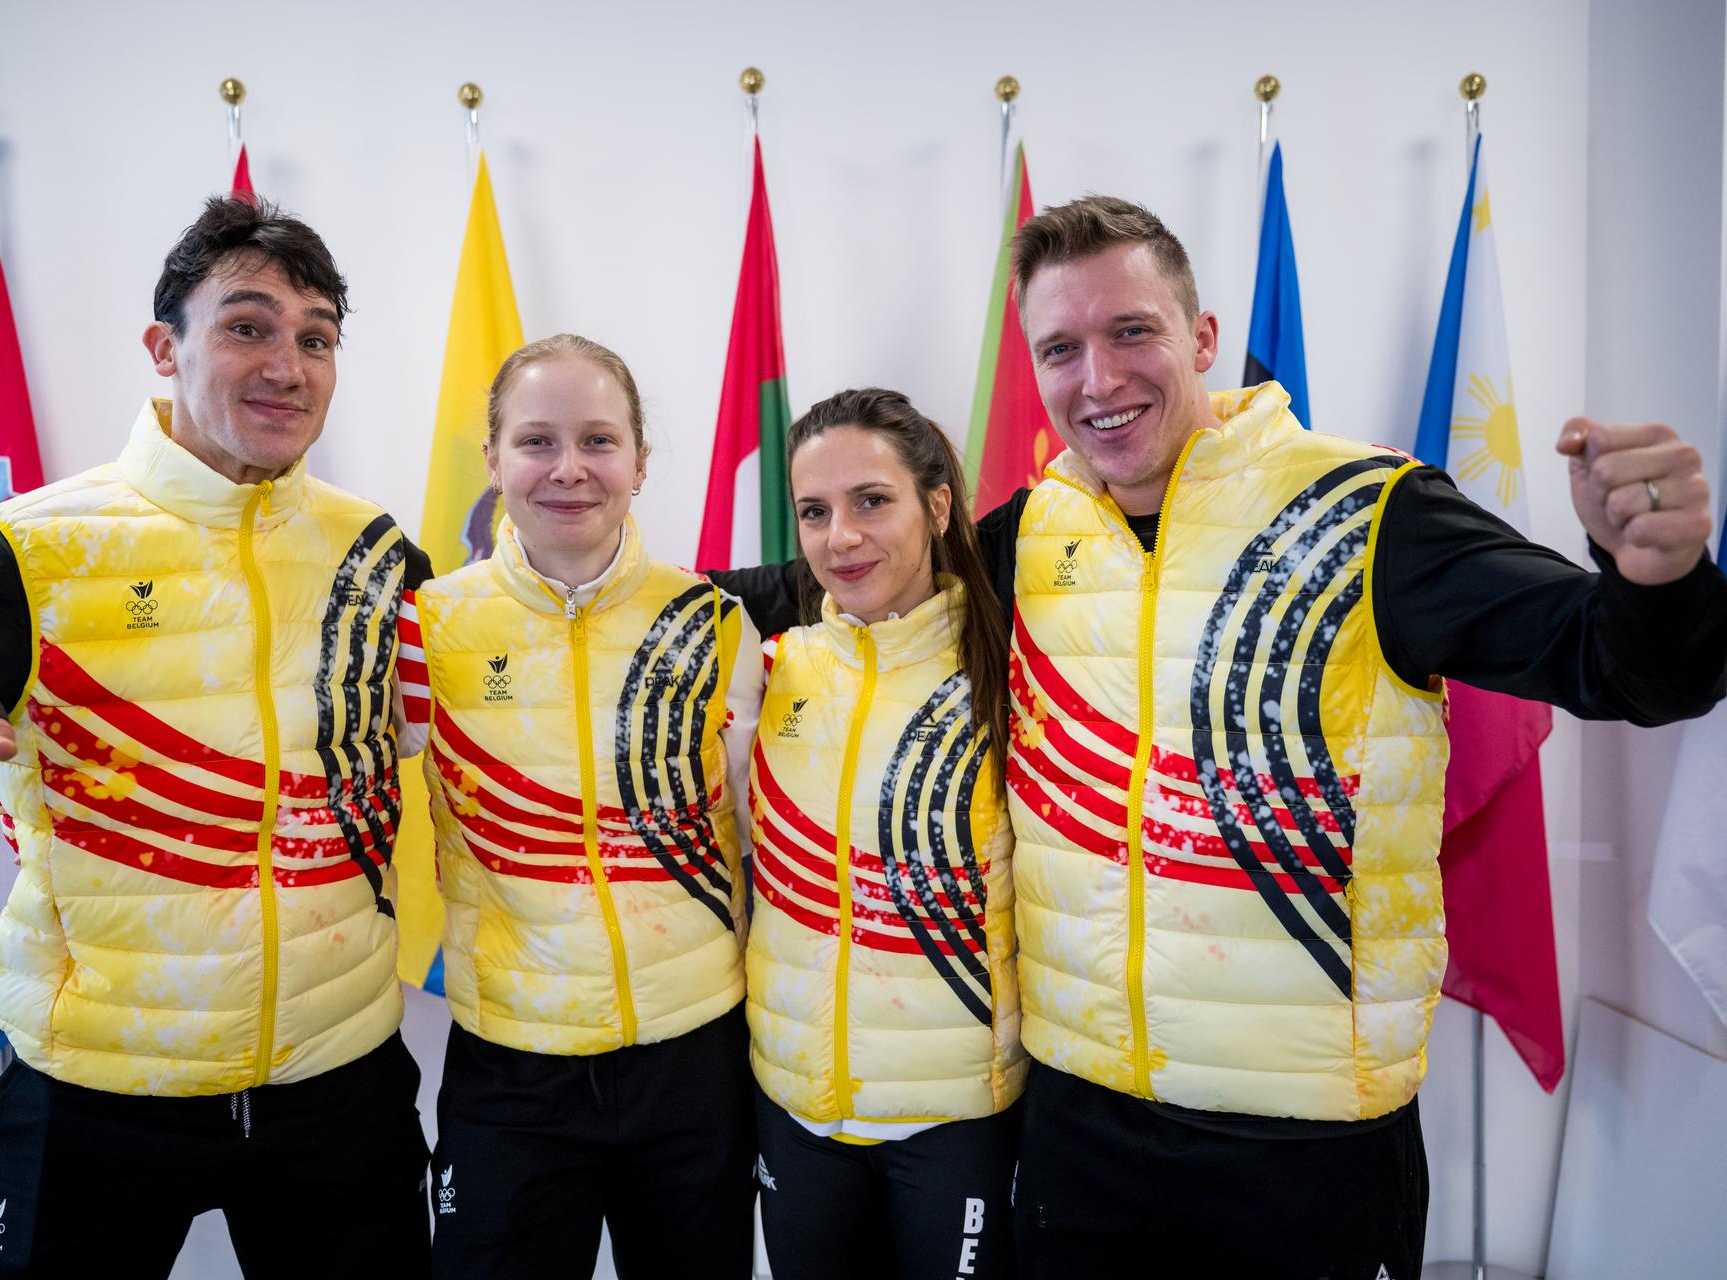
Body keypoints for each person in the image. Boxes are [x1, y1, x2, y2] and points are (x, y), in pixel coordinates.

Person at [714, 195, 1727, 1279]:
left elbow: (1620, 665)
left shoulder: (1364, 508)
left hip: (1306, 1144)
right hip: (1081, 1126)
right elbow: (823, 582)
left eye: (1131, 332)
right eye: (1061, 347)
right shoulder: (1026, 536)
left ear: (1202, 338)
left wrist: (1654, 578)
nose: (1097, 379)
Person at [0, 196, 433, 1277]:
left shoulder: (375, 554)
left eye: (317, 336)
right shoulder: (39, 549)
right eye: (248, 325)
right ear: (164, 346)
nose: (288, 361)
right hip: (95, 1097)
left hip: (340, 1091)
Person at [405, 333, 764, 1280]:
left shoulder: (716, 624)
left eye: (599, 441)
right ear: (493, 460)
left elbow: (759, 834)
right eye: (536, 441)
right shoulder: (429, 629)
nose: (569, 469)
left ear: (641, 461)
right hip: (512, 1068)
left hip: (696, 1058)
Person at [744, 388, 1025, 1279]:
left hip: (955, 1119)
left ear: (937, 506)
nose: (842, 537)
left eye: (873, 501)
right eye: (816, 512)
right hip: (797, 1108)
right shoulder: (770, 667)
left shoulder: (1011, 671)